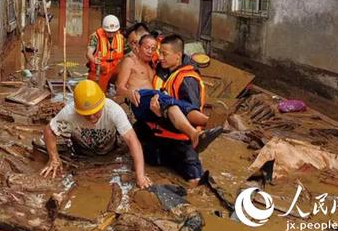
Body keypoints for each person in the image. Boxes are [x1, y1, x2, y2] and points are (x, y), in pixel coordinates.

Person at [134, 34, 221, 186]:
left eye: (164, 54)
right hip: (159, 130)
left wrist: (160, 114)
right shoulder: (164, 67)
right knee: (136, 129)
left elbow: (188, 112)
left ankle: (206, 127)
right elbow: (146, 49)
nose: (160, 57)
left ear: (178, 55)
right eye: (159, 53)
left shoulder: (187, 80)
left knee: (196, 180)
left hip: (179, 139)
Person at [40, 80, 152, 189]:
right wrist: (54, 158)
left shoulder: (113, 110)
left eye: (96, 112)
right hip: (81, 153)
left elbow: (132, 140)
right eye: (87, 115)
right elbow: (49, 130)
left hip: (111, 151)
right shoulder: (69, 112)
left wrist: (140, 175)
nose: (92, 117)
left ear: (102, 104)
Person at [115, 35, 220, 149]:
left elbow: (169, 53)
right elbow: (119, 88)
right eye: (146, 48)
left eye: (153, 48)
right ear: (138, 47)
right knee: (170, 103)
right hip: (140, 98)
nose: (150, 52)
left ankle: (210, 124)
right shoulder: (130, 61)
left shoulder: (153, 66)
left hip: (155, 101)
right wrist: (129, 94)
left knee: (175, 105)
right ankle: (209, 124)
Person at [86, 15, 125, 92]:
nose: (111, 34)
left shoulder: (121, 37)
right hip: (101, 69)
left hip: (115, 68)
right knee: (97, 91)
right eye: (109, 32)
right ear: (104, 30)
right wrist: (94, 60)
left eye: (113, 32)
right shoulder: (95, 37)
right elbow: (88, 53)